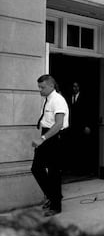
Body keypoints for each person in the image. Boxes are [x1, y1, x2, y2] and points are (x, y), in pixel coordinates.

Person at [31, 74, 69, 216]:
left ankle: (56, 206)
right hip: (47, 134)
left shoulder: (58, 100)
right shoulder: (48, 99)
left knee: (53, 172)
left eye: (42, 87)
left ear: (51, 86)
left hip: (54, 136)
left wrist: (42, 139)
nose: (40, 90)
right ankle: (53, 196)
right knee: (36, 168)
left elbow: (58, 124)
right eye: (39, 87)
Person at [67, 81, 93, 175]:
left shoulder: (85, 97)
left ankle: (85, 170)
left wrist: (87, 126)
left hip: (83, 126)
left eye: (76, 86)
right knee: (73, 148)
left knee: (83, 148)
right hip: (72, 127)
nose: (75, 88)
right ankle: (74, 169)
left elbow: (88, 112)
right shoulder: (69, 97)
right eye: (73, 86)